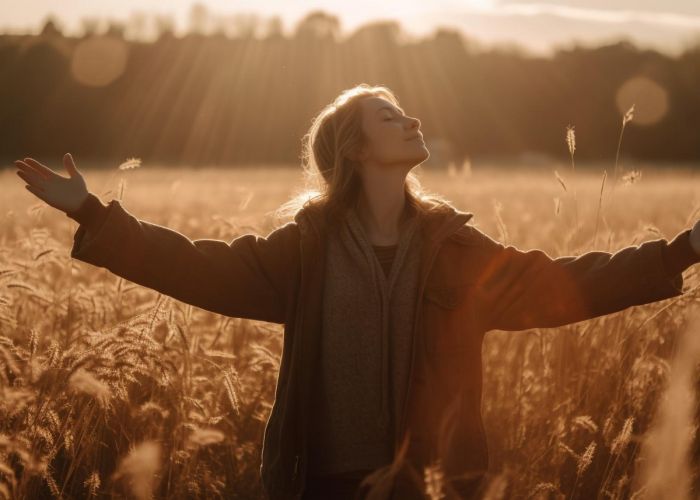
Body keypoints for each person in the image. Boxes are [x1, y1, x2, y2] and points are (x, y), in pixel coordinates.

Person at [13, 83, 700, 500]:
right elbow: (196, 265)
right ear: (355, 150)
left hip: (430, 487)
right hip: (319, 486)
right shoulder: (304, 251)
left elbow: (563, 284)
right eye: (389, 116)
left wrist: (680, 252)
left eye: (406, 112)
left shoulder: (456, 250)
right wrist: (90, 212)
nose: (411, 120)